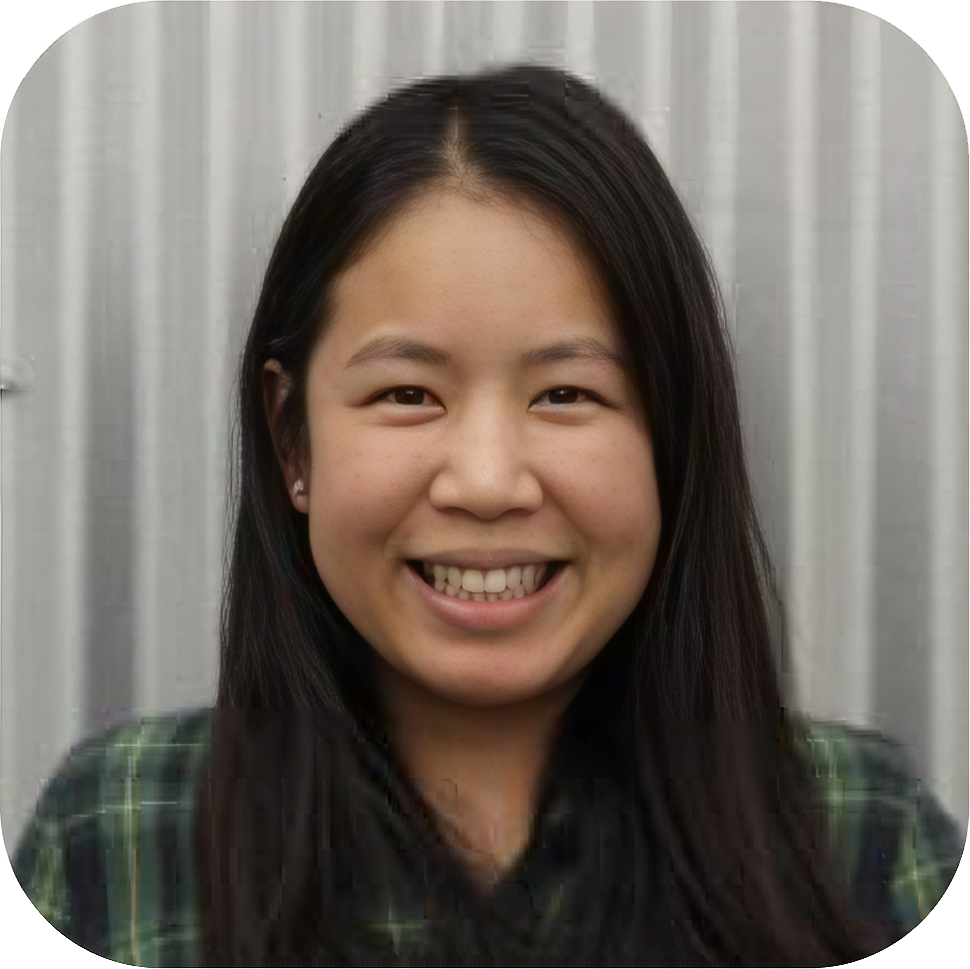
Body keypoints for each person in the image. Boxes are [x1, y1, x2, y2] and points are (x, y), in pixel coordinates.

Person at [12, 64, 963, 967]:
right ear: (292, 440)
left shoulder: (863, 838)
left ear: (674, 435)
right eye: (407, 394)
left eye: (566, 394)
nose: (487, 481)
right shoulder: (118, 832)